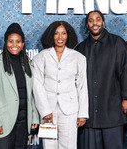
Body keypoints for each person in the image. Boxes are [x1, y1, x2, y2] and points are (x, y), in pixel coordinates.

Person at [75, 10, 127, 149]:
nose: (94, 23)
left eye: (97, 19)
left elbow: (126, 70)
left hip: (112, 112)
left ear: (103, 22)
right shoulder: (81, 49)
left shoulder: (117, 43)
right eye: (91, 20)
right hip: (90, 114)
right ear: (87, 25)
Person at [33, 21, 88, 149]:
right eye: (56, 33)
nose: (60, 37)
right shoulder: (41, 57)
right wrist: (45, 110)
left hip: (70, 109)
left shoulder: (78, 57)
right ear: (51, 36)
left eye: (63, 33)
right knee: (49, 145)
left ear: (68, 36)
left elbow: (82, 86)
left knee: (68, 145)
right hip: (48, 109)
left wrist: (82, 114)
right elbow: (37, 85)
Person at [0, 23, 39, 149]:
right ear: (5, 43)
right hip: (3, 122)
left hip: (23, 122)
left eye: (18, 41)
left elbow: (31, 94)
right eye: (11, 41)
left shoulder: (28, 65)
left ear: (23, 44)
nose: (14, 45)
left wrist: (35, 117)